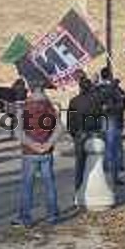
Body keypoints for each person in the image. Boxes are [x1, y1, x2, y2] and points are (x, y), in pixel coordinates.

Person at [13, 85, 60, 227]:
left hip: (29, 152)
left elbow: (18, 132)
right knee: (49, 184)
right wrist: (48, 144)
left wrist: (32, 144)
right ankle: (52, 216)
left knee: (27, 185)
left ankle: (25, 218)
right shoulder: (50, 108)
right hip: (47, 152)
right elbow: (59, 128)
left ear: (31, 92)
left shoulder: (24, 109)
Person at [68, 76, 103, 199]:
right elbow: (100, 118)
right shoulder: (96, 100)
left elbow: (70, 121)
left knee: (80, 164)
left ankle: (78, 192)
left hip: (80, 134)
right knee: (95, 164)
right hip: (94, 133)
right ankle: (94, 191)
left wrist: (74, 134)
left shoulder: (74, 101)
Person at [97, 66, 125, 186]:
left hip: (99, 119)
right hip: (112, 119)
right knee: (113, 149)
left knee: (102, 148)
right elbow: (122, 104)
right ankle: (114, 177)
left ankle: (104, 175)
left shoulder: (96, 88)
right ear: (110, 75)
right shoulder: (116, 89)